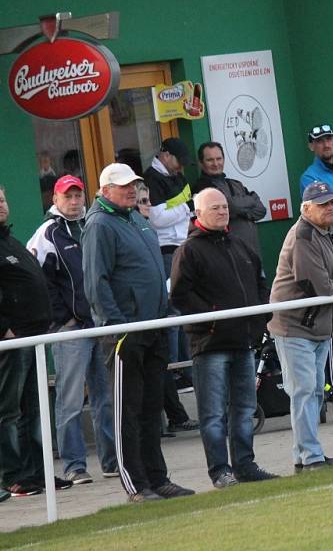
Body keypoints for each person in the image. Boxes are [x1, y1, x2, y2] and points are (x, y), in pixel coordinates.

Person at [82, 163, 194, 502]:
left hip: (153, 326)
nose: (131, 190)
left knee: (150, 409)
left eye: (133, 184)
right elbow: (96, 283)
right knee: (126, 411)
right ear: (104, 190)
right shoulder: (100, 224)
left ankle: (157, 478)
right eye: (123, 186)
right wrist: (118, 330)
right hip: (125, 334)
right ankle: (135, 484)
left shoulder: (134, 219)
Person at [170, 188, 277, 488]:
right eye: (214, 207)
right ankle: (220, 471)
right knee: (213, 413)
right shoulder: (188, 251)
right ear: (198, 214)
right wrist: (213, 317)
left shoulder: (241, 246)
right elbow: (180, 295)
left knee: (244, 409)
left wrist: (260, 317)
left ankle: (245, 465)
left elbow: (260, 284)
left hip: (244, 341)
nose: (222, 211)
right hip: (210, 345)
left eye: (224, 206)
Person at [26, 175, 117, 485]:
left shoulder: (93, 226)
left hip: (99, 326)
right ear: (55, 198)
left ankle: (111, 460)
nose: (75, 201)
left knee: (106, 398)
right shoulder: (47, 234)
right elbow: (38, 284)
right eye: (69, 196)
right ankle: (74, 466)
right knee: (70, 400)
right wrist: (61, 320)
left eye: (78, 195)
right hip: (71, 331)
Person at [268, 181, 333, 472]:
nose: (331, 207)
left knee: (314, 392)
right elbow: (319, 287)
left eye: (332, 202)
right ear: (306, 208)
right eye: (323, 204)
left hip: (321, 324)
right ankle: (310, 457)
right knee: (305, 391)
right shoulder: (301, 236)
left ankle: (304, 455)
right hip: (295, 325)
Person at [0, 186, 72, 497]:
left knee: (33, 408)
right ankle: (14, 476)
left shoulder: (10, 241)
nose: (1, 205)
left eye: (2, 199)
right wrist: (5, 329)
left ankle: (38, 472)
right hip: (13, 342)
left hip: (34, 338)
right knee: (10, 410)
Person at [142, 137, 198, 433]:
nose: (180, 166)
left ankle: (185, 370)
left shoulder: (175, 177)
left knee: (184, 312)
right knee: (172, 316)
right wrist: (185, 207)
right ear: (164, 155)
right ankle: (177, 371)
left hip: (181, 246)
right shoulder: (150, 179)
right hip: (165, 251)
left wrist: (183, 209)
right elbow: (158, 219)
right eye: (176, 159)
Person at [194, 141, 267, 257]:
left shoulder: (236, 184)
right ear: (201, 163)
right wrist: (247, 203)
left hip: (253, 254)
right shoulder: (202, 188)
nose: (216, 163)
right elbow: (232, 206)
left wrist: (240, 210)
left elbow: (262, 210)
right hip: (228, 255)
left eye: (219, 159)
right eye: (210, 160)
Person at [300, 124, 333, 214]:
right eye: (320, 141)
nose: (326, 145)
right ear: (311, 146)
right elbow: (322, 211)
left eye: (329, 139)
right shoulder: (309, 178)